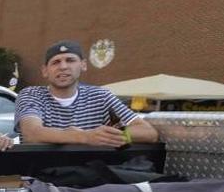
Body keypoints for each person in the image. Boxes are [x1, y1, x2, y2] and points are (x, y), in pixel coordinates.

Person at [15, 40, 158, 146]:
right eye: (56, 62)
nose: (63, 67)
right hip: (42, 176)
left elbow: (148, 133)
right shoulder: (31, 94)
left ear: (83, 65)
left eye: (70, 60)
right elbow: (32, 134)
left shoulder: (100, 96)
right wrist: (85, 137)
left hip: (92, 175)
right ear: (45, 71)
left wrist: (109, 136)